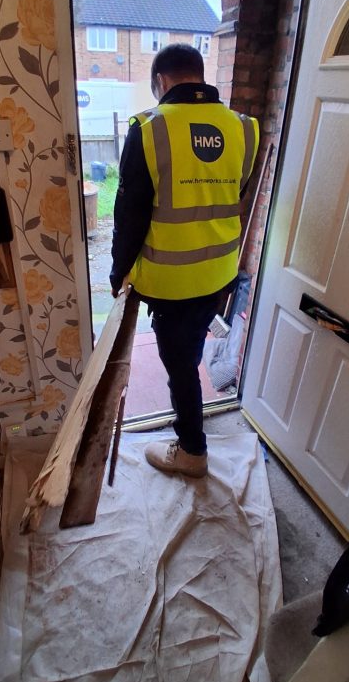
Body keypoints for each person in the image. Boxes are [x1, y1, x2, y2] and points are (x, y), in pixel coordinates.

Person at [110, 44, 259, 478]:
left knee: (179, 369)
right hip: (220, 273)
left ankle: (193, 450)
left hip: (170, 282)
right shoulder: (243, 129)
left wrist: (119, 271)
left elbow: (130, 214)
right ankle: (190, 430)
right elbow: (230, 196)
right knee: (189, 351)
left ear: (161, 82)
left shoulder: (150, 129)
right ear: (198, 75)